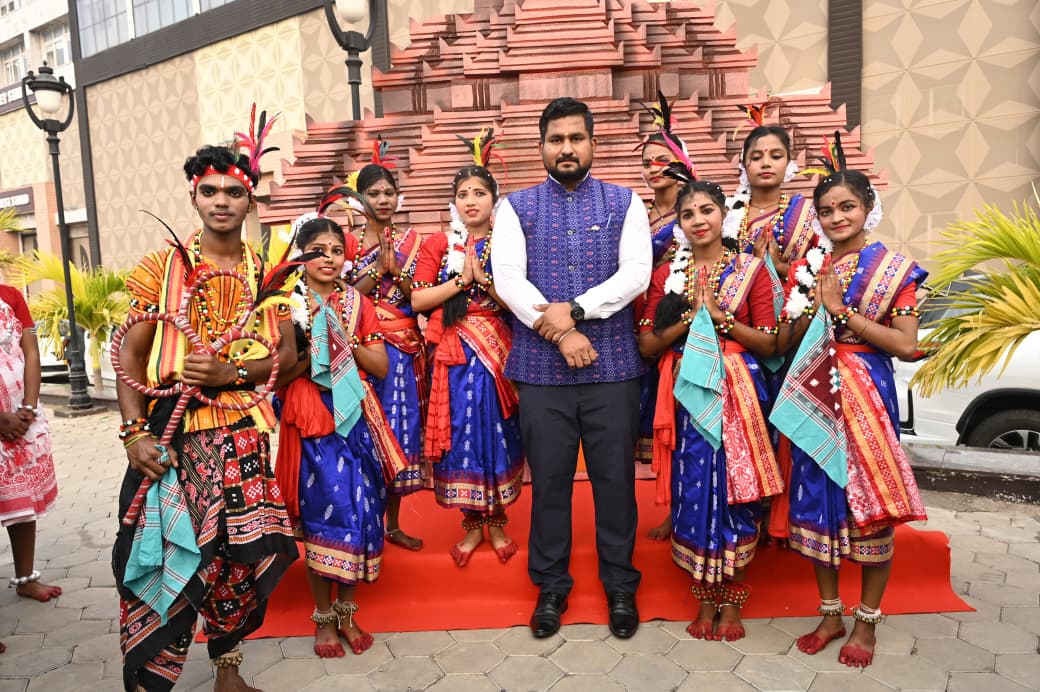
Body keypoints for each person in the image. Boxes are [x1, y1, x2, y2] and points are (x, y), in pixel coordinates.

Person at [113, 126, 299, 692]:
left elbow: (289, 358)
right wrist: (134, 434)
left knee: (237, 563)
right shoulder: (160, 268)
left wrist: (230, 375)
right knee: (163, 555)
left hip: (242, 437)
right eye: (210, 191)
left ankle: (228, 673)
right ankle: (149, 679)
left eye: (234, 192)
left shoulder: (270, 272)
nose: (222, 201)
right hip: (173, 440)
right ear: (193, 196)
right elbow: (130, 354)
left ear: (250, 199)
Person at [491, 97, 652, 640]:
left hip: (613, 369)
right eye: (556, 139)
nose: (566, 148)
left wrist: (577, 310)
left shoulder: (625, 203)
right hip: (541, 371)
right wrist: (563, 332)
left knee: (615, 483)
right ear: (541, 147)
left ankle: (620, 585)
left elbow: (636, 274)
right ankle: (551, 586)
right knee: (551, 483)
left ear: (593, 144)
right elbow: (509, 280)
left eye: (576, 138)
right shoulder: (516, 208)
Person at [773, 133, 927, 668]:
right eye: (826, 210)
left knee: (869, 506)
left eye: (847, 207)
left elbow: (905, 345)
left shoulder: (894, 271)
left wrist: (842, 313)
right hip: (814, 391)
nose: (837, 217)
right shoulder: (808, 268)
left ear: (867, 208)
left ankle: (867, 622)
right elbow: (788, 338)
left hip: (865, 396)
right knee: (818, 501)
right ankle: (831, 614)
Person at [638, 170, 782, 642]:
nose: (698, 220)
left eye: (706, 210)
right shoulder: (667, 275)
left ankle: (733, 600)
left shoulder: (751, 271)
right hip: (686, 393)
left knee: (737, 489)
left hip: (738, 390)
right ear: (678, 223)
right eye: (687, 214)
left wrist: (721, 320)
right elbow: (647, 344)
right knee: (695, 488)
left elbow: (770, 343)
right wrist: (689, 321)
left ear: (724, 215)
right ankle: (703, 597)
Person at [274, 214, 408, 658]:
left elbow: (381, 365)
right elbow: (276, 372)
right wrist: (315, 347)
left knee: (362, 509)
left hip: (357, 418)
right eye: (318, 251)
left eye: (336, 251)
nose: (328, 258)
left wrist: (342, 343)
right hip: (312, 418)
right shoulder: (285, 302)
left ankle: (348, 613)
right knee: (323, 511)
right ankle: (323, 617)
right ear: (300, 255)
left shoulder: (356, 303)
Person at [412, 138, 524, 567]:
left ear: (494, 200)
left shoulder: (509, 243)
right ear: (453, 202)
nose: (471, 200)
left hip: (498, 352)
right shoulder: (438, 245)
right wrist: (461, 282)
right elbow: (419, 300)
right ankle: (472, 524)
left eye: (479, 192)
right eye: (463, 194)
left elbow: (520, 301)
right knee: (461, 433)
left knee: (496, 432)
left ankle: (497, 522)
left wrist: (484, 281)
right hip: (453, 355)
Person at [345, 160, 427, 552]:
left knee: (399, 434)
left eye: (389, 193)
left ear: (399, 197)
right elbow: (341, 299)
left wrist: (400, 273)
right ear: (359, 199)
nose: (382, 200)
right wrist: (378, 271)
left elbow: (422, 298)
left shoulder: (414, 242)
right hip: (360, 351)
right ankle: (364, 525)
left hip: (402, 355)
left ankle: (392, 525)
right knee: (362, 437)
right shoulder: (346, 244)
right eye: (373, 193)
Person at [0, 284, 62, 634]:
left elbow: (31, 351)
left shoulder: (10, 296)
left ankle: (25, 578)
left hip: (20, 417)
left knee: (20, 502)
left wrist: (28, 407)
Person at [725, 123, 817, 281]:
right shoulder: (727, 214)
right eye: (756, 158)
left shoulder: (808, 213)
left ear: (788, 163)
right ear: (744, 165)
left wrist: (779, 266)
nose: (766, 163)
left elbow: (822, 273)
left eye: (776, 156)